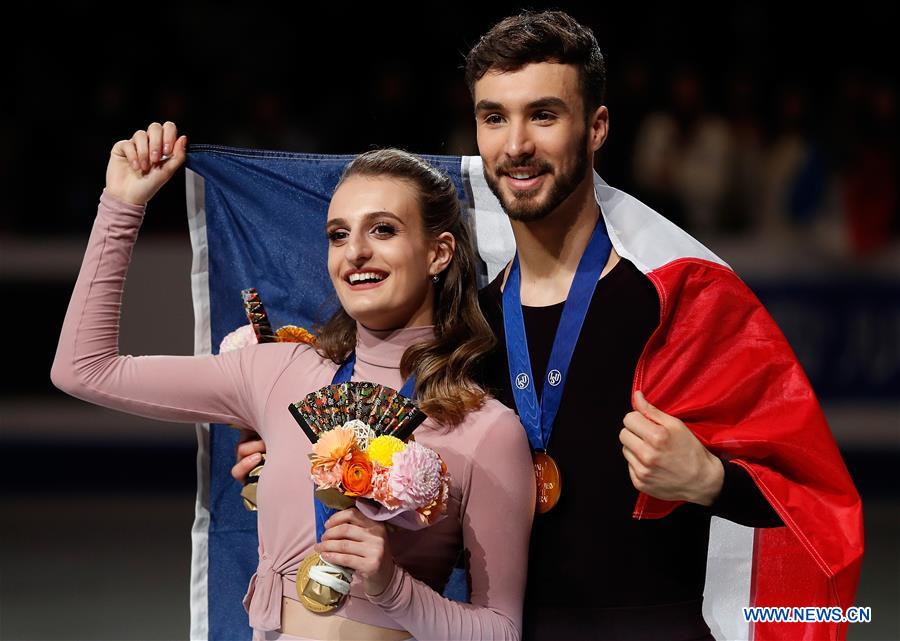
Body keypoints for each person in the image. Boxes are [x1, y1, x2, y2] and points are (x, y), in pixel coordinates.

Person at [234, 11, 863, 641]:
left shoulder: (676, 301)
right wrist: (290, 461)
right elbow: (418, 512)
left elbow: (818, 507)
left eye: (543, 115)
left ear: (596, 127)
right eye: (494, 117)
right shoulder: (465, 324)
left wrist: (713, 481)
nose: (515, 146)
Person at [51, 123, 535, 641]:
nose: (355, 252)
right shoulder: (278, 372)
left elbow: (501, 630)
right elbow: (84, 369)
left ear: (438, 253)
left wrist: (393, 588)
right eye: (338, 235)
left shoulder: (487, 429)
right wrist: (122, 205)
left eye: (383, 230)